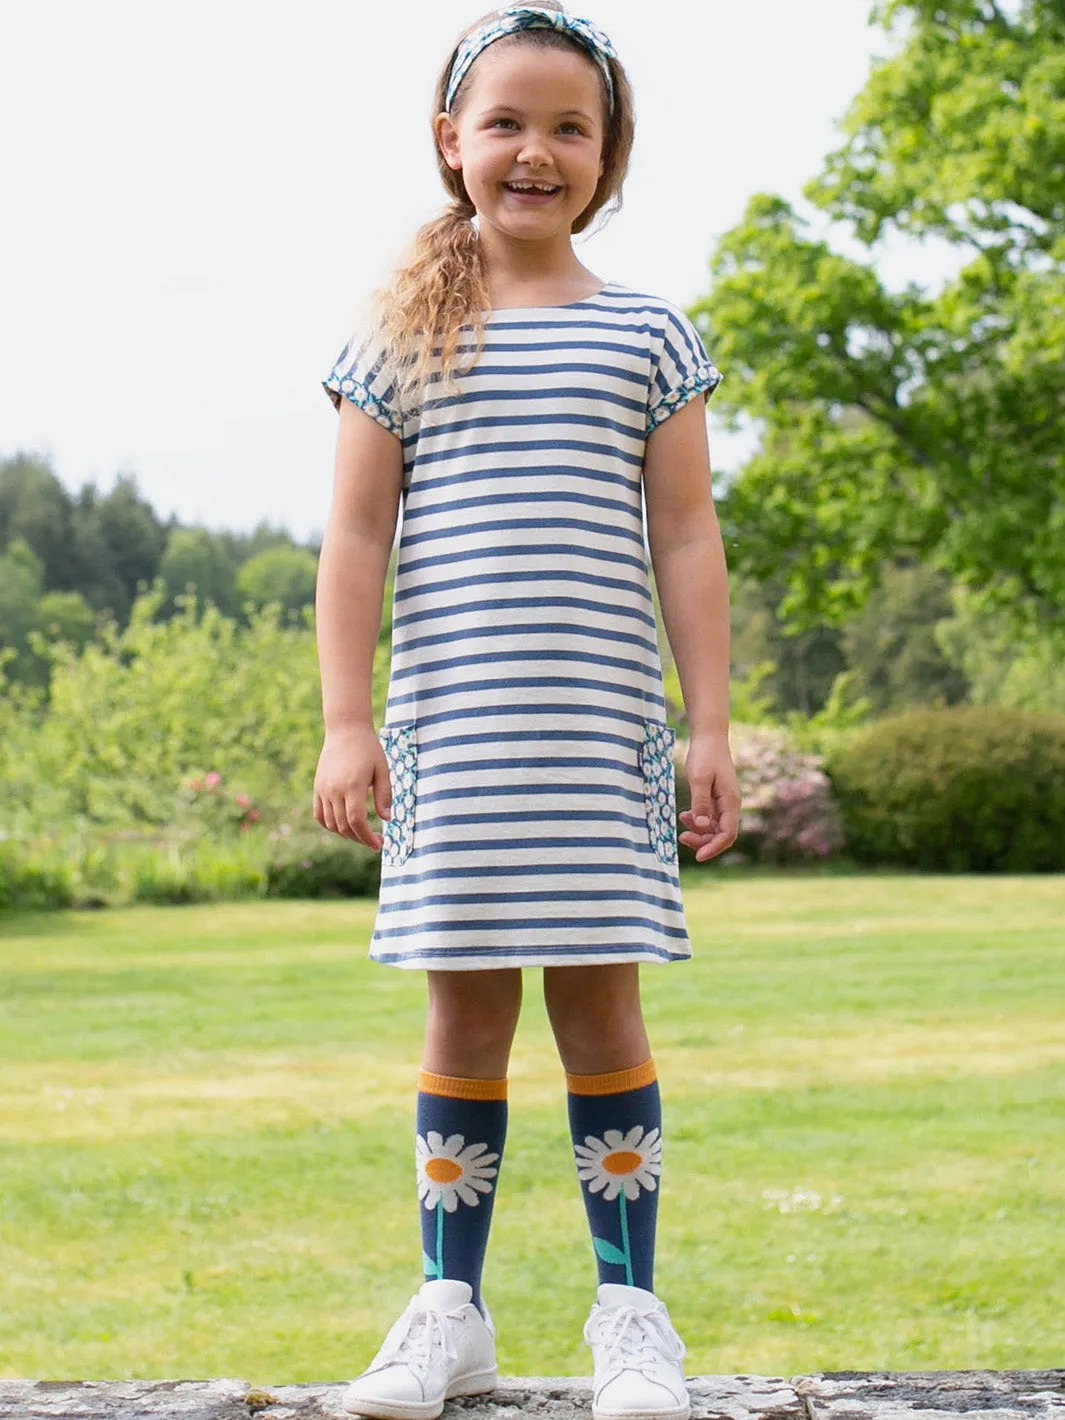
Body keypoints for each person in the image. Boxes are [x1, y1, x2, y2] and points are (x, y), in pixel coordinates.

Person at [313, 4, 741, 1417]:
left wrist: (711, 724)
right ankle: (452, 1309)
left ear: (610, 153)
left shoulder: (648, 336)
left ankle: (632, 1316)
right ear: (451, 142)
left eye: (571, 127)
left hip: (596, 749)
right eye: (506, 121)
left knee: (603, 1019)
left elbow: (687, 538)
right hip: (462, 749)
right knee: (464, 1026)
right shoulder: (396, 337)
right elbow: (355, 542)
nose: (536, 151)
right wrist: (345, 724)